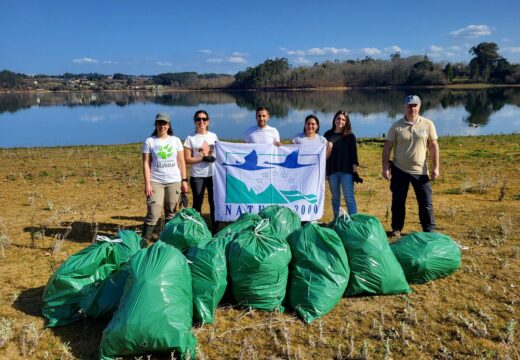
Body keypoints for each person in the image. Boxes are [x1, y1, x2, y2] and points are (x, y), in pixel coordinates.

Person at [382, 95, 439, 238]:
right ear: (404, 107)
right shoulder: (396, 125)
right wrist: (385, 167)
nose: (412, 108)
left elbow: (433, 146)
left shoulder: (428, 124)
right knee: (398, 201)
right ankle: (396, 228)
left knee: (426, 202)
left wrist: (435, 167)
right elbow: (387, 147)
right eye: (409, 105)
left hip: (421, 171)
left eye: (415, 105)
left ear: (419, 106)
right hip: (399, 169)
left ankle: (429, 230)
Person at [141, 112, 188, 243]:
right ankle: (143, 242)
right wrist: (147, 184)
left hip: (174, 181)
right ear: (155, 124)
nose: (162, 126)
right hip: (156, 182)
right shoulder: (149, 141)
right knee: (153, 214)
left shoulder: (176, 140)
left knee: (171, 214)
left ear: (169, 125)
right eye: (159, 123)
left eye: (165, 123)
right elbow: (146, 164)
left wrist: (184, 181)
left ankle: (168, 242)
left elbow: (181, 162)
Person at [184, 110, 219, 233]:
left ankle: (215, 229)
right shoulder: (190, 138)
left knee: (214, 202)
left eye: (204, 119)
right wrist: (202, 158)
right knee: (197, 202)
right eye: (198, 119)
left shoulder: (213, 136)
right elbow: (187, 159)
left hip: (213, 175)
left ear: (208, 121)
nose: (201, 121)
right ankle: (197, 229)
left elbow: (218, 153)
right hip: (198, 176)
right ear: (195, 122)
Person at [323, 110, 360, 219]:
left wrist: (355, 169)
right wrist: (326, 171)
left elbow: (354, 154)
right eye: (338, 118)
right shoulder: (327, 135)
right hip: (332, 171)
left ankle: (354, 222)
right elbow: (324, 156)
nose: (340, 121)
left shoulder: (350, 136)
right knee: (335, 198)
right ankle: (337, 220)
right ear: (334, 120)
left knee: (349, 197)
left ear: (346, 122)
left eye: (343, 120)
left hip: (346, 171)